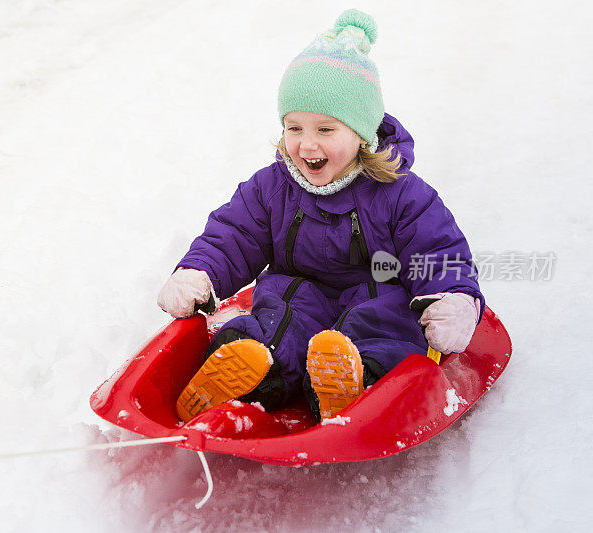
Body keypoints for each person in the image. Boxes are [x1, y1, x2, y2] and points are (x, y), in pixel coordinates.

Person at [157, 9, 483, 423]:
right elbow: (234, 233)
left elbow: (437, 249)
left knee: (383, 321)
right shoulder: (272, 187)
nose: (306, 145)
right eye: (294, 128)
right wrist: (199, 271)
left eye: (325, 130)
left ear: (362, 133)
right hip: (300, 290)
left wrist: (451, 295)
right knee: (279, 319)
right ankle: (249, 368)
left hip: (378, 289)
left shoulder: (402, 193)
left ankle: (355, 380)